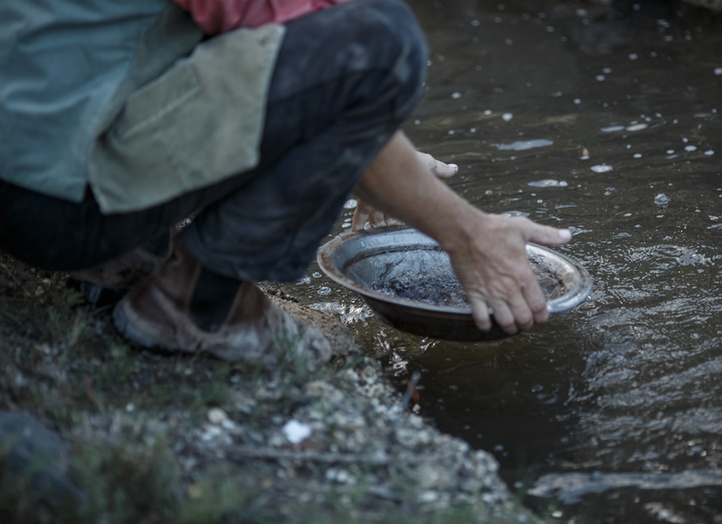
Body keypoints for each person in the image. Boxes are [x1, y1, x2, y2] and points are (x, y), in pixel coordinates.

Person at [0, 0, 572, 366]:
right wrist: (469, 234)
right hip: (58, 205)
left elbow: (249, 50)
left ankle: (122, 256)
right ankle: (199, 308)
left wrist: (374, 150)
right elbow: (340, 69)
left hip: (25, 172)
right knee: (383, 42)